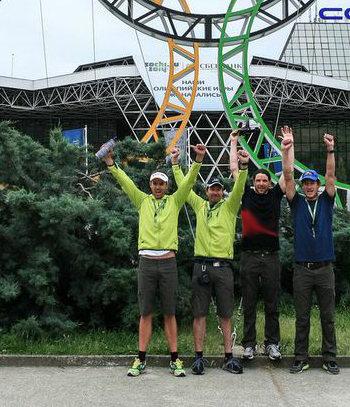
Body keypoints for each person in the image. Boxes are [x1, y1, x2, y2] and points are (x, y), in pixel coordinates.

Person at [101, 141, 205, 378]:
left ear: (167, 186)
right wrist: (110, 162)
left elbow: (188, 183)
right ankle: (140, 359)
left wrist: (198, 160)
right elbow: (125, 183)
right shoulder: (142, 201)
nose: (158, 187)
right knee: (145, 313)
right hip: (146, 262)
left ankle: (175, 360)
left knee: (170, 312)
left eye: (162, 184)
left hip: (168, 262)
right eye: (155, 183)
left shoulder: (175, 201)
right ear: (150, 185)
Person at [184, 133, 248, 375]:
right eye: (212, 189)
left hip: (223, 267)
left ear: (222, 192)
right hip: (200, 265)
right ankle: (198, 357)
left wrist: (242, 167)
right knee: (199, 314)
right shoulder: (199, 205)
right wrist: (182, 163)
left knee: (225, 313)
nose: (215, 192)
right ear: (206, 190)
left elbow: (240, 187)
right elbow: (184, 185)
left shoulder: (230, 207)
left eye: (219, 189)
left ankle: (228, 356)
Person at [282, 129, 340, 375]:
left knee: (328, 316)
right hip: (302, 269)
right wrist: (288, 149)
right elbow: (287, 174)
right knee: (302, 317)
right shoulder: (296, 202)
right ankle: (301, 357)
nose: (308, 186)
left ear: (317, 185)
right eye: (305, 183)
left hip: (325, 268)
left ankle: (330, 357)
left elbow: (330, 175)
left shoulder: (327, 200)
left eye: (312, 183)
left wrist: (330, 150)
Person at [239, 126, 292, 363]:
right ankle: (248, 345)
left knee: (272, 304)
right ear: (253, 182)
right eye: (258, 180)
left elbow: (288, 174)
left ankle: (272, 344)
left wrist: (286, 149)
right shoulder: (246, 195)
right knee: (249, 303)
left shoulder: (275, 195)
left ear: (270, 183)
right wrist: (234, 147)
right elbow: (235, 171)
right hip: (249, 256)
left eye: (265, 180)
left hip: (271, 256)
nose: (261, 183)